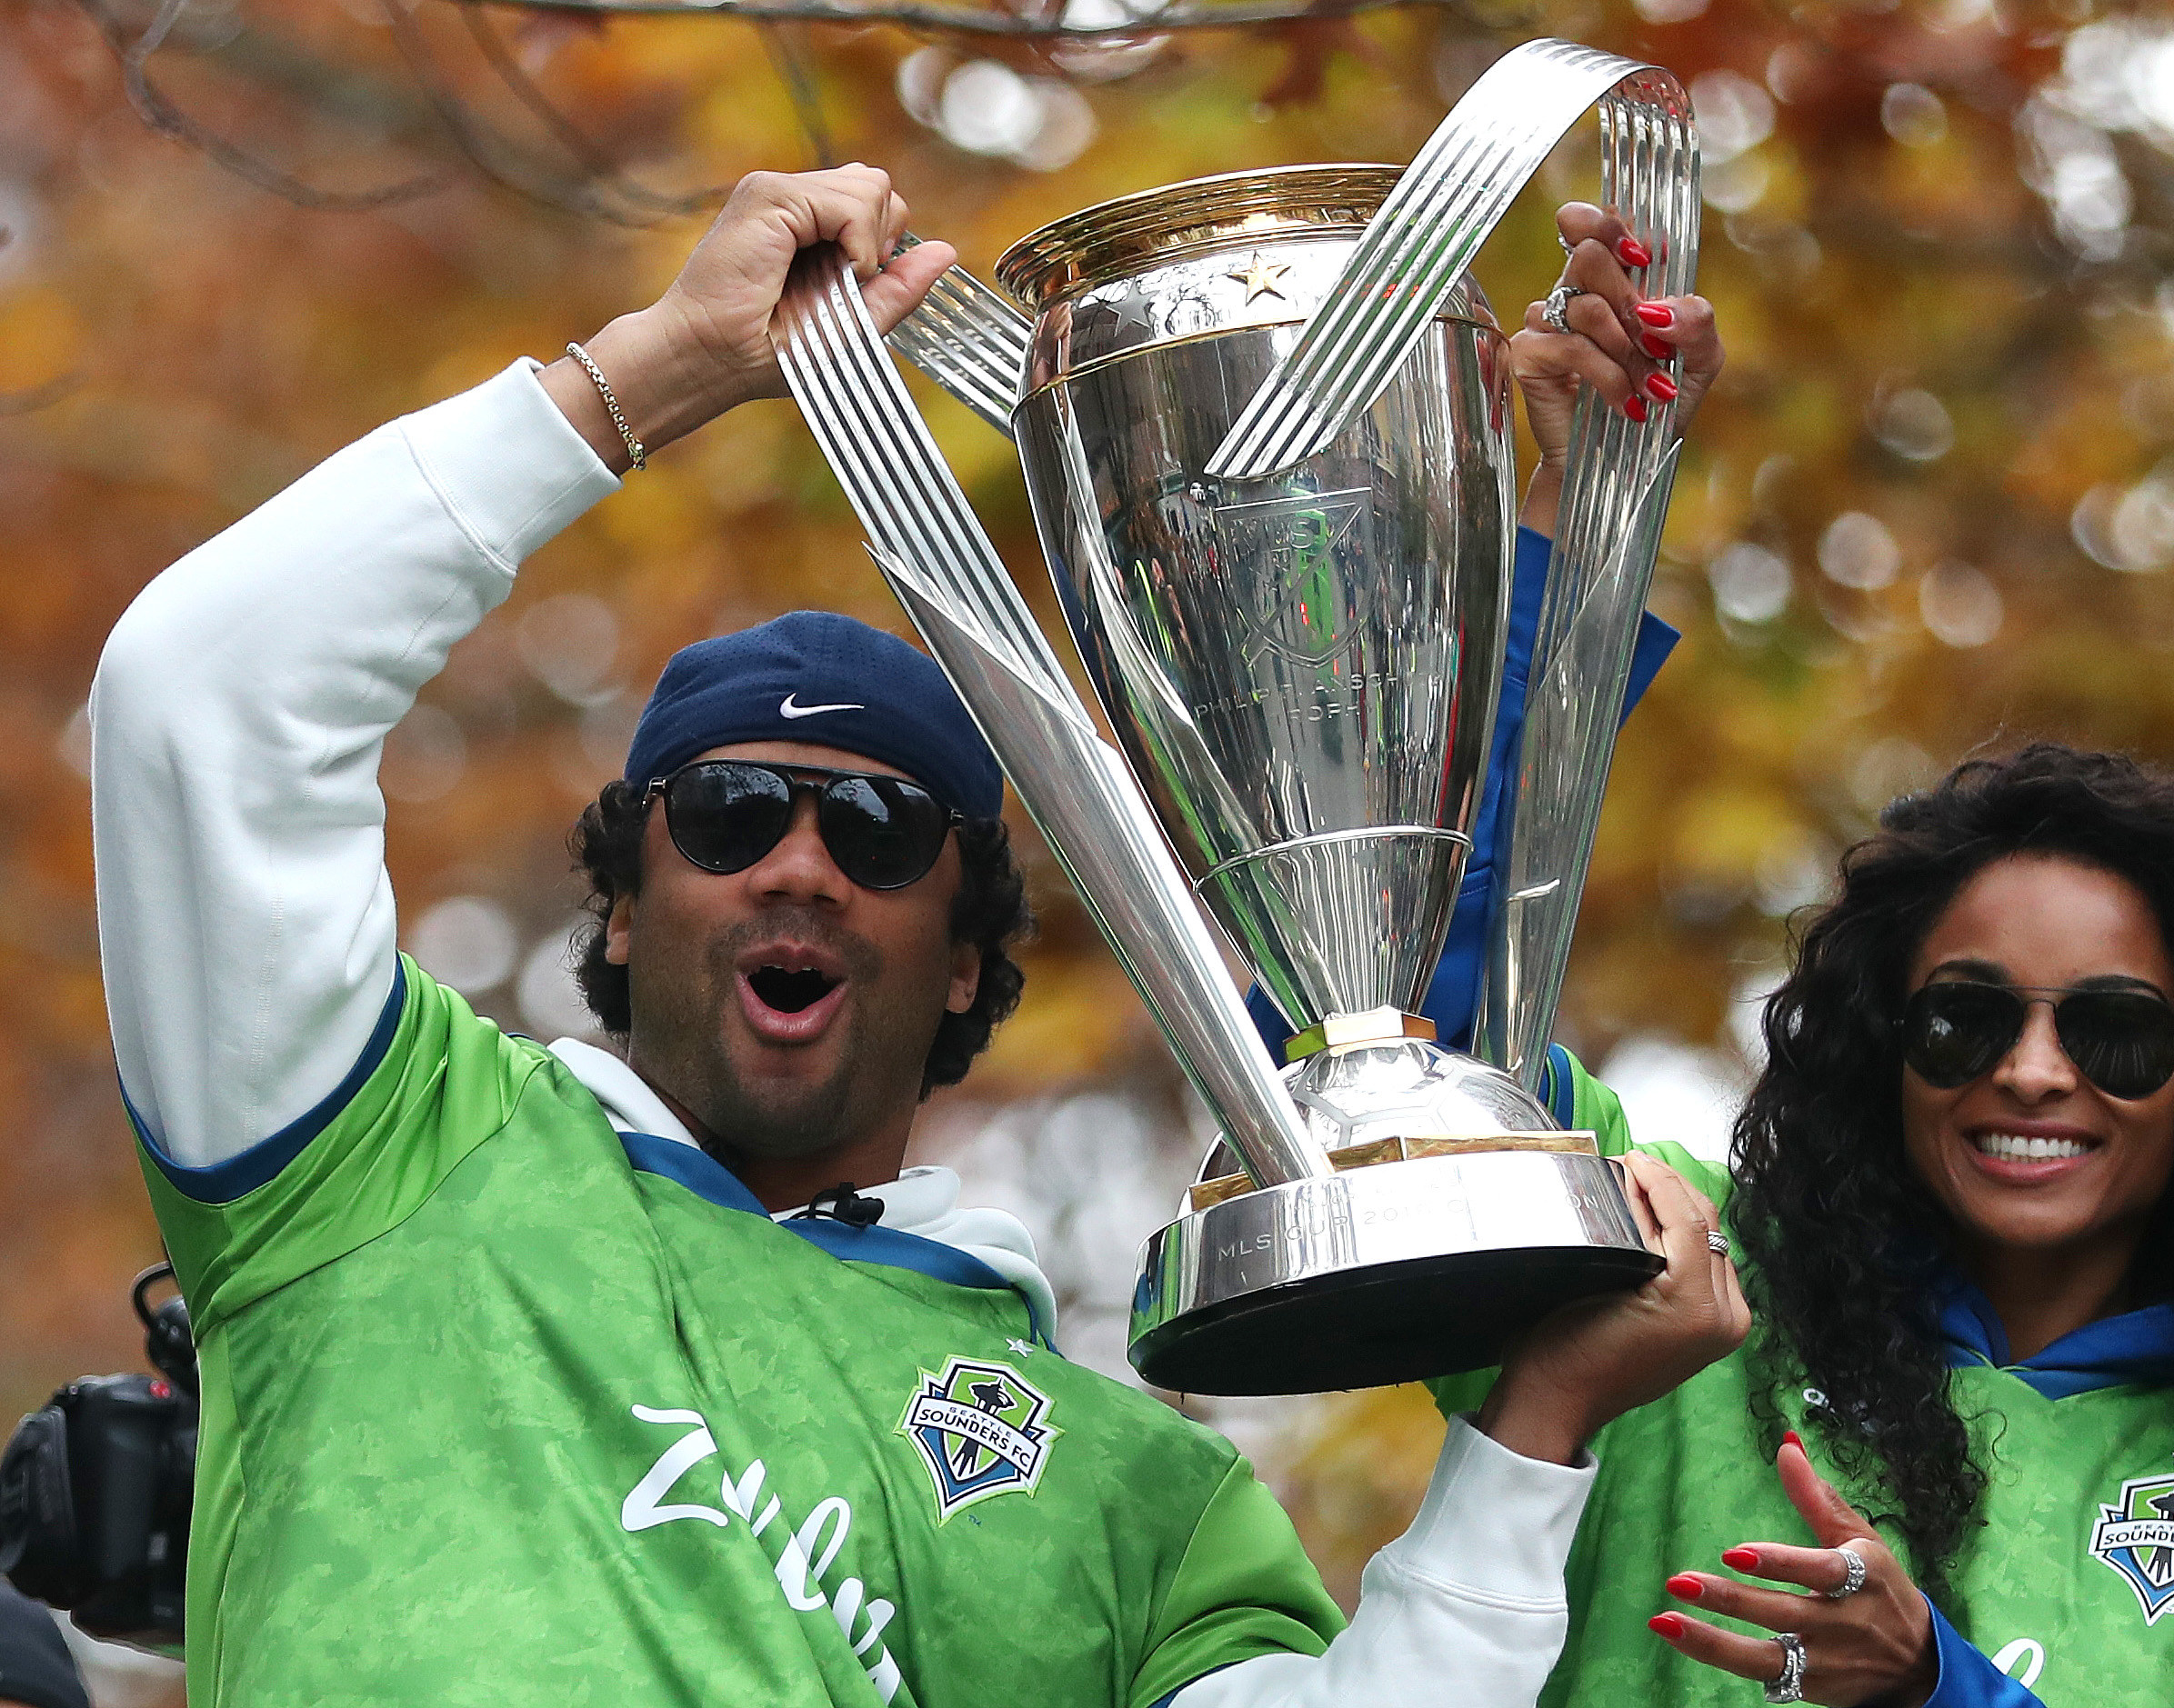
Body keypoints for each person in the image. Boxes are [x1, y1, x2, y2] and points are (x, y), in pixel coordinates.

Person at [87, 163, 1744, 1705]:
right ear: (624, 892)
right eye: (731, 810)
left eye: (877, 832)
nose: (798, 866)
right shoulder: (374, 1154)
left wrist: (1532, 1432)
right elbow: (201, 698)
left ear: (964, 957)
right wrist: (652, 369)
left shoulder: (1137, 1501)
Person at [1435, 744, 2174, 1707]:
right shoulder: (1687, 1265)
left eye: (2111, 1030)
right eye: (1961, 1019)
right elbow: (1406, 1016)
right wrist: (1570, 533)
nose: (2030, 1072)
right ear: (1884, 1043)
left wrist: (1932, 1680)